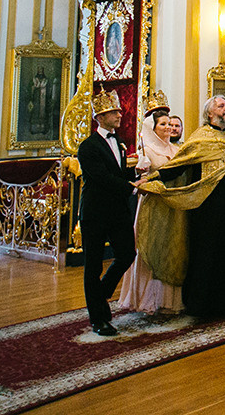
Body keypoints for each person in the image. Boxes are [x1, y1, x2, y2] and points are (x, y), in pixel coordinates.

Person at [135, 95, 225, 319]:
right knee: (207, 253)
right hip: (207, 209)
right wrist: (153, 179)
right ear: (210, 113)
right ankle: (203, 306)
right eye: (221, 106)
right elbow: (179, 165)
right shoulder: (200, 138)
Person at [77, 90, 137, 336]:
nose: (120, 115)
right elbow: (101, 177)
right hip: (95, 212)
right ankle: (98, 319)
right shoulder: (88, 147)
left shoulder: (120, 142)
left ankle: (99, 296)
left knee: (127, 254)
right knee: (93, 265)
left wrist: (137, 173)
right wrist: (132, 188)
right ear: (100, 117)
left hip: (118, 210)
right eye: (114, 112)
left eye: (119, 111)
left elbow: (119, 173)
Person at [118, 100, 182, 314]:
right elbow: (141, 180)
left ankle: (170, 299)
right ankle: (149, 298)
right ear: (152, 128)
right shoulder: (147, 151)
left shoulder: (176, 149)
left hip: (173, 206)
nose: (168, 128)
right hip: (153, 206)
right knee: (151, 249)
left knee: (171, 248)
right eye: (163, 124)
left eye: (170, 124)